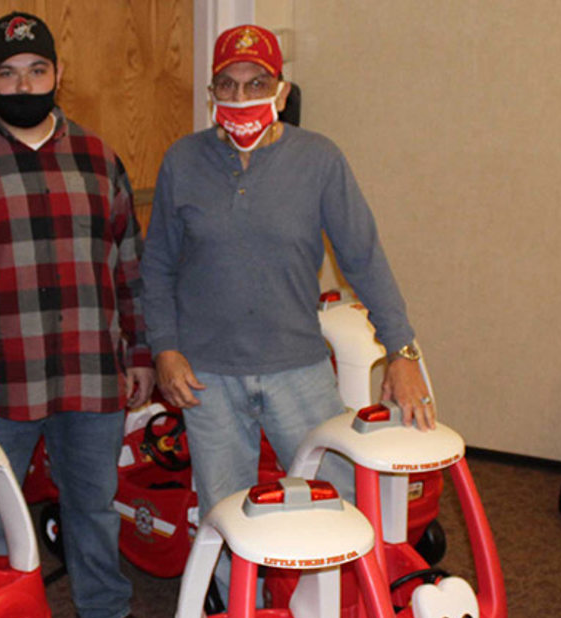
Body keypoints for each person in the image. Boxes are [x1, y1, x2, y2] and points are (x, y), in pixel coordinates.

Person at [0, 12, 166, 618]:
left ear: (58, 73)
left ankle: (104, 610)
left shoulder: (98, 158)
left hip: (90, 368)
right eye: (7, 73)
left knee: (95, 502)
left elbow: (127, 265)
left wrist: (139, 352)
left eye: (36, 71)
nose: (23, 85)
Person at [141, 26, 435, 553]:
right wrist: (164, 348)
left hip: (298, 369)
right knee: (226, 518)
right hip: (208, 376)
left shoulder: (320, 160)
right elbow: (158, 266)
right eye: (227, 85)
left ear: (280, 91)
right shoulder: (182, 161)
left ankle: (334, 603)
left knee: (337, 505)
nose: (240, 98)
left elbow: (364, 259)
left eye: (256, 83)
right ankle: (236, 606)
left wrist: (401, 351)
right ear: (211, 94)